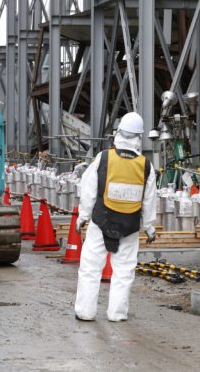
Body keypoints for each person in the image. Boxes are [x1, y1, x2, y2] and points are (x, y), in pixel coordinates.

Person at [74, 112, 157, 322]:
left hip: (101, 221)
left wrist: (82, 217)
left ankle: (86, 311)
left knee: (91, 267)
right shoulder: (146, 165)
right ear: (140, 137)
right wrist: (149, 227)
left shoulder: (104, 158)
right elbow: (149, 200)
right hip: (129, 226)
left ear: (118, 133)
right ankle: (117, 314)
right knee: (124, 271)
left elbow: (89, 189)